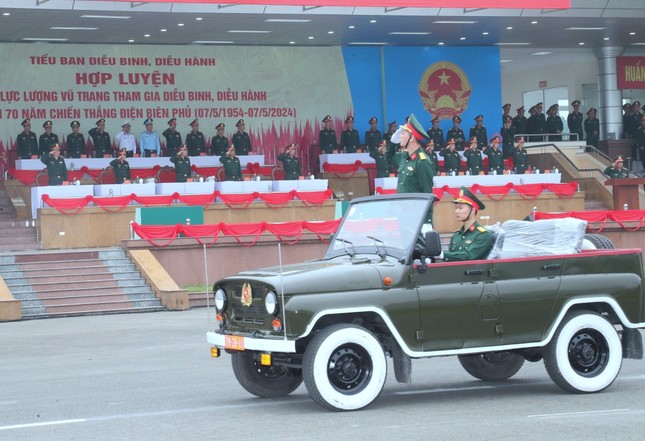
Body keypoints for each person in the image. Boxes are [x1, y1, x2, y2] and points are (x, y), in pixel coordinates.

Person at [385, 113, 435, 223]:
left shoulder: (422, 161)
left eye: (403, 133)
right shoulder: (404, 157)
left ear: (412, 137)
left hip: (417, 218)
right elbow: (388, 158)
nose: (400, 136)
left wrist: (427, 222)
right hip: (403, 215)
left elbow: (427, 194)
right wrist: (392, 143)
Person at [433, 187, 492, 262]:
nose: (456, 211)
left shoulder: (482, 235)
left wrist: (442, 255)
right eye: (456, 208)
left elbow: (469, 256)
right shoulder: (456, 235)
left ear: (473, 210)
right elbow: (451, 260)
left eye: (460, 208)